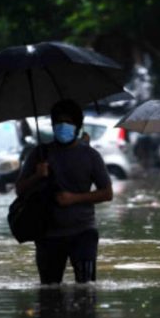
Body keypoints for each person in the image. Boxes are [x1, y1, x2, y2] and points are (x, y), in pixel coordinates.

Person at [16, 99, 113, 284]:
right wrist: (37, 175)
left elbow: (107, 193)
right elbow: (19, 189)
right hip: (47, 234)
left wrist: (74, 198)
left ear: (77, 126)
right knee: (49, 288)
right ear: (52, 125)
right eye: (58, 122)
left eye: (68, 122)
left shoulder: (90, 156)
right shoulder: (39, 154)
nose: (62, 126)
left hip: (83, 232)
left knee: (86, 288)